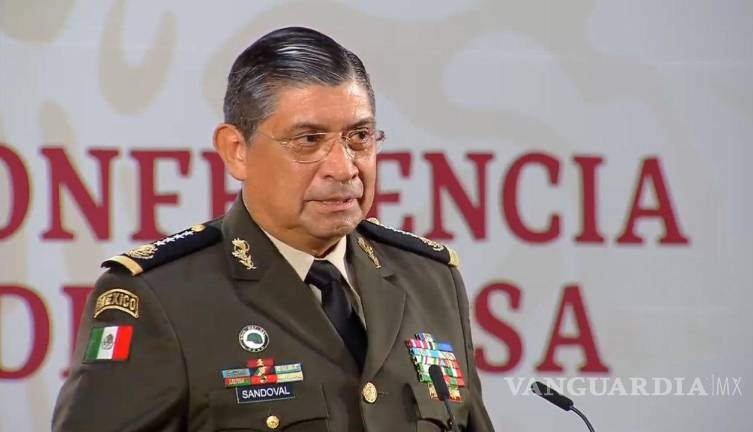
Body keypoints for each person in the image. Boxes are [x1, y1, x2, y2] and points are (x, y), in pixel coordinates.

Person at [53, 26, 495, 432]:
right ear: (236, 151)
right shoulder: (159, 297)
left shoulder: (430, 280)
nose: (343, 168)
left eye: (359, 137)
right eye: (309, 140)